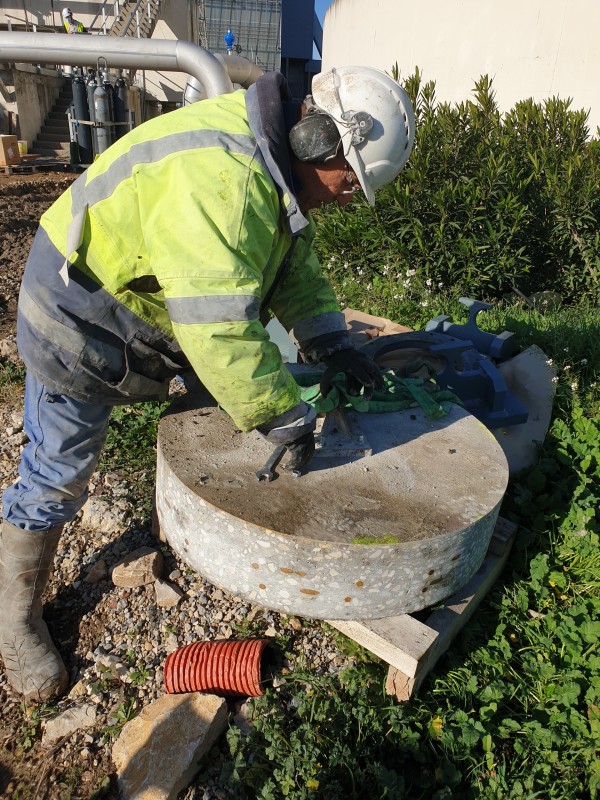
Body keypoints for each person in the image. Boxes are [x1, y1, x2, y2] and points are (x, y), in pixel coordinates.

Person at [0, 65, 415, 702]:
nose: (348, 197)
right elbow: (217, 328)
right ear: (317, 142)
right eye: (352, 181)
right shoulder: (223, 177)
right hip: (77, 312)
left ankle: (186, 513)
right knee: (59, 468)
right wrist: (281, 411)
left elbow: (290, 265)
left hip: (139, 298)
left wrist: (328, 336)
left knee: (220, 389)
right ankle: (15, 621)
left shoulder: (271, 170)